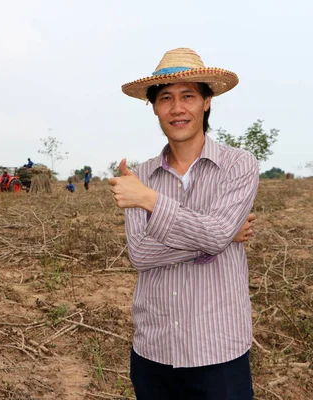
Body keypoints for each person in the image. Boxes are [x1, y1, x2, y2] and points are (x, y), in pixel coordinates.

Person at [109, 48, 258, 399]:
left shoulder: (239, 165)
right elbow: (141, 255)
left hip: (220, 352)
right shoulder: (140, 173)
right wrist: (212, 239)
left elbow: (218, 233)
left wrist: (149, 200)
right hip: (154, 350)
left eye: (188, 95)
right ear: (154, 107)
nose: (178, 108)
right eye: (166, 98)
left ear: (207, 102)